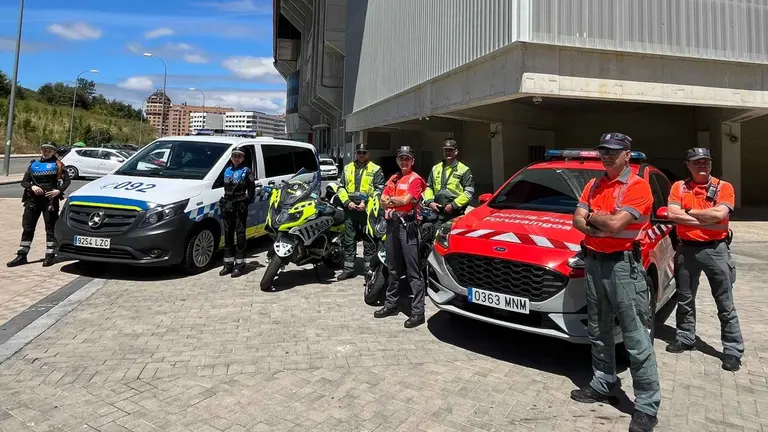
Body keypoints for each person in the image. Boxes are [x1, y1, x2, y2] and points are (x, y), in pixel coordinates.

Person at [571, 133, 660, 432]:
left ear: (627, 154)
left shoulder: (638, 186)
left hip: (624, 268)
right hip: (594, 263)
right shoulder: (593, 184)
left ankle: (646, 407)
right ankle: (603, 382)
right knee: (599, 329)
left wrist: (593, 218)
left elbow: (615, 225)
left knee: (636, 338)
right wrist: (599, 221)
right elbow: (577, 220)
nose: (607, 156)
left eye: (614, 151)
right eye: (603, 151)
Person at [664, 147, 744, 371]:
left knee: (725, 304)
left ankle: (732, 350)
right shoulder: (678, 186)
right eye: (697, 162)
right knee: (685, 299)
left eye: (706, 162)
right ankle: (685, 338)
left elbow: (719, 215)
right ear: (687, 165)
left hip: (716, 250)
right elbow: (672, 214)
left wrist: (687, 212)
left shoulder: (724, 187)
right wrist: (703, 217)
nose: (702, 165)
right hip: (686, 250)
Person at [374, 146, 427, 328]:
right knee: (393, 268)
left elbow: (406, 201)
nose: (404, 162)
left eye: (407, 159)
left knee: (413, 271)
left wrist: (392, 201)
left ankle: (418, 312)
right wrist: (394, 201)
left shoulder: (416, 179)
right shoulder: (394, 178)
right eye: (401, 158)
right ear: (398, 160)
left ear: (413, 161)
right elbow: (382, 199)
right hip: (392, 226)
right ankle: (391, 305)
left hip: (407, 228)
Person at [8, 142, 71, 268]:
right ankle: (22, 255)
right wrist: (32, 186)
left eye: (49, 150)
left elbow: (67, 181)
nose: (45, 152)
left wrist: (58, 191)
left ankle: (50, 256)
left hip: (50, 201)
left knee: (50, 229)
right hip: (32, 201)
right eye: (43, 150)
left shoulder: (58, 165)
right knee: (28, 228)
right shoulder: (33, 165)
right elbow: (24, 182)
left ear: (54, 152)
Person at [336, 143, 385, 280]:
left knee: (368, 240)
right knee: (348, 239)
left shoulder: (376, 169)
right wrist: (347, 202)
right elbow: (341, 187)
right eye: (359, 152)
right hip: (350, 209)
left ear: (368, 153)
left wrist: (366, 202)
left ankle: (368, 271)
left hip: (367, 210)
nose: (361, 155)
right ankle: (348, 269)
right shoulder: (347, 168)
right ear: (355, 153)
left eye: (364, 152)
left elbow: (379, 189)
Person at [218, 146, 257, 278]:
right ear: (231, 157)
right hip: (228, 205)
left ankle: (239, 266)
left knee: (240, 235)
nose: (236, 158)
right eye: (234, 155)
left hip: (240, 205)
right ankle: (228, 264)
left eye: (239, 156)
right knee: (228, 235)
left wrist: (245, 203)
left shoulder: (247, 171)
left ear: (243, 158)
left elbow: (252, 191)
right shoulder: (227, 170)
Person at [423, 139, 475, 233]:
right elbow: (429, 187)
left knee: (452, 239)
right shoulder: (436, 168)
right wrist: (430, 202)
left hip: (455, 213)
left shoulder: (464, 169)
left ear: (456, 151)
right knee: (437, 238)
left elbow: (469, 192)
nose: (448, 152)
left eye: (450, 150)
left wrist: (453, 205)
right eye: (446, 150)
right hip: (438, 211)